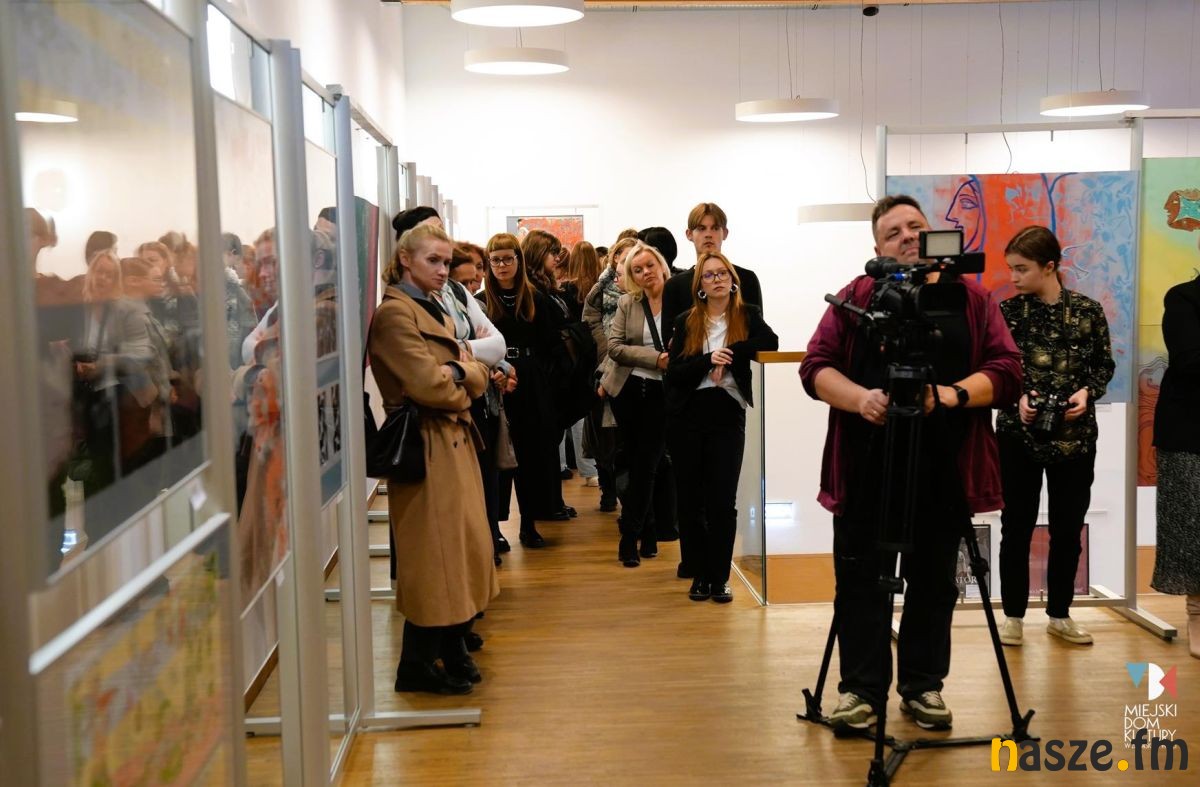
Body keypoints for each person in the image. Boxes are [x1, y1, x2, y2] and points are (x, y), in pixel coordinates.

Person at [799, 195, 1022, 733]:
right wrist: (861, 399)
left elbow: (1007, 370)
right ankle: (860, 691)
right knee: (860, 581)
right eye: (892, 232)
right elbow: (815, 366)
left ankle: (922, 687)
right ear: (876, 248)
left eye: (915, 226)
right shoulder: (855, 297)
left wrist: (947, 395)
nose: (906, 236)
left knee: (935, 582)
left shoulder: (971, 299)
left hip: (945, 464)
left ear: (933, 234)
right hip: (866, 465)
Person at [367, 222, 499, 694]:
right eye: (433, 261)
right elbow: (431, 386)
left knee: (459, 551)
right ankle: (417, 664)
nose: (444, 270)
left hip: (449, 440)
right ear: (406, 259)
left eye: (447, 262)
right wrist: (468, 376)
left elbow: (461, 372)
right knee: (436, 558)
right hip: (425, 445)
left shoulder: (430, 304)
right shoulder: (395, 314)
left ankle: (450, 646)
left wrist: (460, 372)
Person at [995, 226, 1114, 647]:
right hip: (1017, 437)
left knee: (1067, 528)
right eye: (1011, 268)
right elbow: (996, 370)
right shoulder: (1006, 313)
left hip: (1075, 438)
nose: (1013, 277)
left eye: (1021, 268)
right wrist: (1016, 398)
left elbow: (1103, 366)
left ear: (1049, 267)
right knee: (1016, 527)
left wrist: (1087, 392)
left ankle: (1060, 614)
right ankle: (1012, 617)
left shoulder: (1087, 311)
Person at [664, 251, 777, 602]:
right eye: (709, 275)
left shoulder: (747, 315)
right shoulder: (686, 320)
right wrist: (707, 360)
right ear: (700, 285)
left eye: (722, 273)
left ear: (733, 280)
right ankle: (699, 574)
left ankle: (719, 577)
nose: (717, 279)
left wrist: (729, 353)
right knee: (691, 499)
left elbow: (770, 343)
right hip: (689, 413)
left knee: (723, 500)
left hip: (728, 411)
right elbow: (675, 372)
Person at [482, 233, 570, 546]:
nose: (502, 265)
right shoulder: (481, 302)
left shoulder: (535, 299)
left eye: (508, 258)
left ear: (519, 260)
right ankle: (494, 529)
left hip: (531, 381)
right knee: (497, 457)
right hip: (495, 380)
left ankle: (529, 524)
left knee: (531, 456)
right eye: (496, 260)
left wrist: (545, 382)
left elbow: (552, 344)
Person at [602, 242, 676, 567]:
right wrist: (656, 358)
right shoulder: (627, 303)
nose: (645, 272)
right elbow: (615, 348)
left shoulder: (680, 301)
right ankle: (646, 532)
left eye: (650, 265)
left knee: (647, 466)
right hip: (629, 391)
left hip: (663, 394)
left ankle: (629, 537)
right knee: (636, 463)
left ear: (661, 266)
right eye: (637, 269)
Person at [1151, 270, 1200, 659]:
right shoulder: (1183, 298)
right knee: (1190, 527)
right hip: (1190, 432)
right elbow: (1190, 362)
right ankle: (1197, 613)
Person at [584, 236, 639, 513]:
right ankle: (608, 488)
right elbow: (590, 320)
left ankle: (629, 496)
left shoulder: (641, 293)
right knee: (603, 435)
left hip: (634, 368)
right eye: (622, 256)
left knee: (627, 437)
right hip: (603, 365)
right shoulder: (600, 289)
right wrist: (607, 352)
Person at [661, 202, 763, 350]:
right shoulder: (674, 286)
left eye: (715, 228)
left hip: (738, 361)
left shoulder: (746, 279)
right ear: (689, 234)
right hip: (692, 363)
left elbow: (758, 335)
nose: (708, 234)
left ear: (725, 233)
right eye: (701, 228)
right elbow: (670, 341)